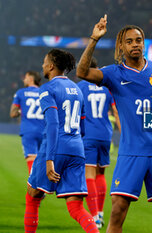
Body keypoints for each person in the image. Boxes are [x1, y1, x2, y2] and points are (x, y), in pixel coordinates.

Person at [76, 15, 152, 233]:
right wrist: (94, 38)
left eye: (138, 40)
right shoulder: (114, 73)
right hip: (131, 153)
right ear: (121, 46)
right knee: (118, 212)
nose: (135, 44)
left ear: (143, 43)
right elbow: (81, 72)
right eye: (129, 41)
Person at [24, 49, 99, 233]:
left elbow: (52, 123)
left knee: (32, 196)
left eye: (44, 62)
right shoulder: (77, 90)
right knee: (76, 208)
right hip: (77, 149)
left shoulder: (47, 88)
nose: (42, 65)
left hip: (55, 148)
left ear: (51, 66)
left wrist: (50, 160)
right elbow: (82, 127)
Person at [77, 56, 120, 228]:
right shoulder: (106, 87)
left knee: (89, 175)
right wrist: (123, 134)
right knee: (101, 174)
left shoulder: (80, 87)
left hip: (88, 134)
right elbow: (116, 112)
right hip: (105, 134)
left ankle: (94, 216)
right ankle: (101, 214)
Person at [10, 71, 44, 174]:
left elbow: (13, 113)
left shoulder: (21, 92)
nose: (24, 80)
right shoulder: (44, 92)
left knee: (32, 161)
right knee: (44, 163)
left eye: (25, 77)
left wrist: (21, 111)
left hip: (29, 131)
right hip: (44, 132)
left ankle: (32, 189)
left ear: (30, 78)